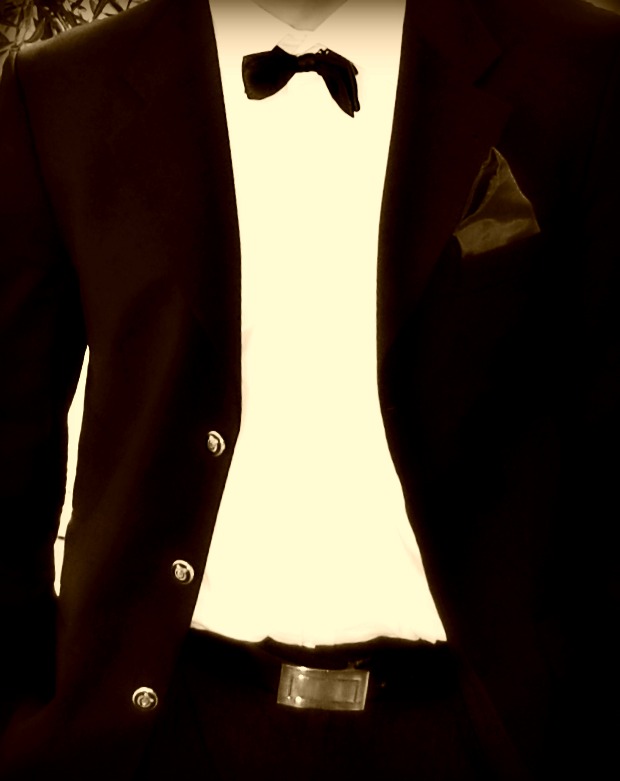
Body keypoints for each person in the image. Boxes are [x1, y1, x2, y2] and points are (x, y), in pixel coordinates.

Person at [1, 0, 619, 778]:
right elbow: (9, 454)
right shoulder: (57, 92)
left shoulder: (581, 68)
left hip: (487, 728)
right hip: (160, 730)